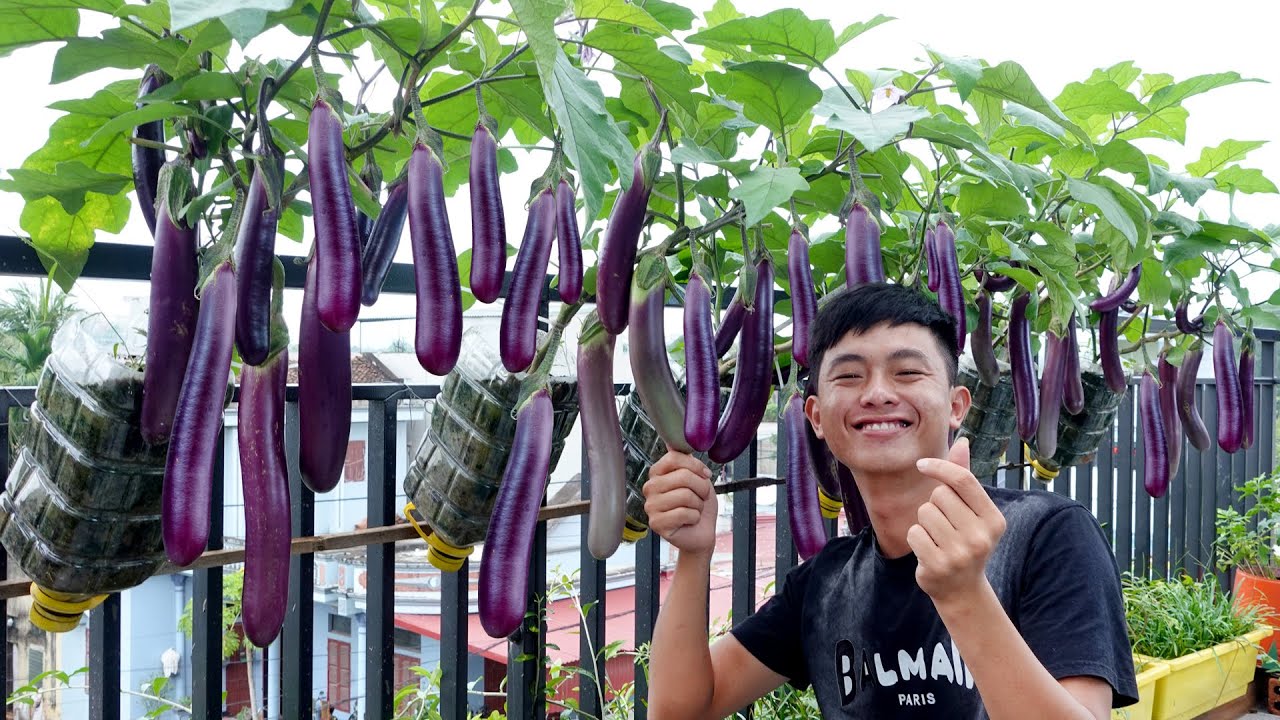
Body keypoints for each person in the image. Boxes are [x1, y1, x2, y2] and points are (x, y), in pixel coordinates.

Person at [642, 283, 1138, 719]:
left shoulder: (1046, 534)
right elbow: (682, 709)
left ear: (956, 406)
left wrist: (964, 595)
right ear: (815, 416)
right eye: (849, 376)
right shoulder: (824, 583)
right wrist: (694, 555)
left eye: (907, 373)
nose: (877, 394)